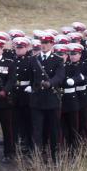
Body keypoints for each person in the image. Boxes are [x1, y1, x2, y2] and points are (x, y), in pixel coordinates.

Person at [29, 33, 65, 161]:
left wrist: (50, 83)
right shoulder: (33, 59)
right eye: (42, 43)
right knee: (37, 130)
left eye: (47, 43)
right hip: (37, 100)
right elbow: (31, 78)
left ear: (52, 44)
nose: (44, 46)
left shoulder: (58, 59)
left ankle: (55, 157)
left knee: (54, 130)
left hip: (51, 100)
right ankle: (37, 158)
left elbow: (60, 76)